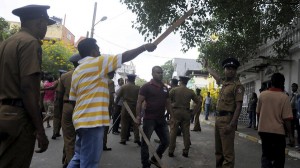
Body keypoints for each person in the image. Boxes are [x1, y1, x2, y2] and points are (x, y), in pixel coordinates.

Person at [68, 38, 156, 168]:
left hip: (81, 121)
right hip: (92, 122)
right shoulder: (98, 61)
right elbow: (124, 56)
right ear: (93, 51)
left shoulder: (77, 71)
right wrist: (143, 47)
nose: (100, 52)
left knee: (79, 158)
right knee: (89, 164)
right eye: (98, 50)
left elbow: (73, 100)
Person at [0, 4, 55, 167]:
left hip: (3, 113)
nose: (46, 29)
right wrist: (40, 129)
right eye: (46, 24)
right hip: (19, 119)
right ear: (40, 23)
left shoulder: (6, 43)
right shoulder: (31, 43)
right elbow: (28, 89)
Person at [203, 57, 245, 168]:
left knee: (228, 154)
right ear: (224, 70)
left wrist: (232, 125)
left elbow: (239, 107)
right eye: (228, 68)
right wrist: (207, 67)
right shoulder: (224, 83)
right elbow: (216, 76)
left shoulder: (238, 86)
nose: (231, 70)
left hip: (227, 120)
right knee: (218, 151)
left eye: (233, 69)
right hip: (218, 119)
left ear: (235, 71)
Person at [136, 66, 172, 168]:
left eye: (161, 73)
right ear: (152, 73)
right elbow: (139, 102)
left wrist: (172, 117)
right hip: (149, 119)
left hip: (161, 119)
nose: (160, 74)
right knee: (145, 143)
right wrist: (138, 117)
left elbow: (168, 103)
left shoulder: (165, 88)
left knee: (166, 141)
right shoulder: (146, 87)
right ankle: (145, 164)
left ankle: (155, 159)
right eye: (158, 72)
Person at [256, 73, 294, 168]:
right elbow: (287, 119)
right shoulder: (284, 97)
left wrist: (259, 127)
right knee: (279, 159)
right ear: (283, 83)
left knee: (266, 156)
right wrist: (290, 135)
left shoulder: (262, 95)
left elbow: (258, 113)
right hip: (278, 133)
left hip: (264, 131)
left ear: (271, 82)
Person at [56, 54, 81, 168]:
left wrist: (59, 113)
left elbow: (59, 97)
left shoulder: (65, 76)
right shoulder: (87, 75)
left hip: (67, 106)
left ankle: (67, 160)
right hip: (81, 106)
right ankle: (72, 163)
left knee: (68, 136)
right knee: (79, 136)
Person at [168, 76, 200, 158]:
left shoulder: (174, 90)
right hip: (186, 112)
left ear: (180, 81)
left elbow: (167, 100)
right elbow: (199, 102)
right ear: (187, 82)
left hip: (176, 112)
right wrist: (193, 112)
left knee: (173, 132)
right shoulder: (190, 91)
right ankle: (186, 151)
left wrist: (170, 111)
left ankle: (171, 151)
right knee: (186, 133)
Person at [116, 74, 141, 146]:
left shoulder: (124, 87)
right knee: (136, 123)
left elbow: (118, 96)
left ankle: (123, 139)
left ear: (127, 79)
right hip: (134, 106)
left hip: (125, 106)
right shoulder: (138, 88)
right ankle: (137, 138)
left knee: (124, 123)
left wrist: (115, 105)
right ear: (134, 79)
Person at [290, 83, 300, 148]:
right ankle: (292, 141)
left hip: (296, 111)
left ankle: (298, 143)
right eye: (292, 87)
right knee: (291, 126)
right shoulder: (292, 94)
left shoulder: (298, 94)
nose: (292, 88)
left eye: (293, 87)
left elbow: (297, 104)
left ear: (296, 87)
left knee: (297, 127)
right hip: (291, 111)